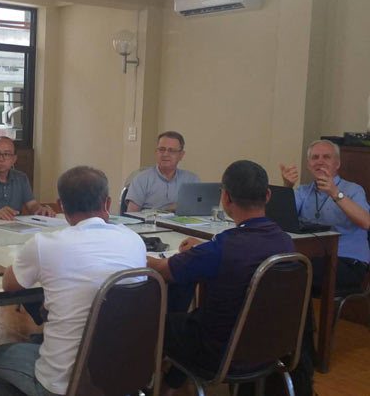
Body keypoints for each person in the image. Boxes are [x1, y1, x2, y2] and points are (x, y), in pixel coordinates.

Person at [0, 166, 146, 396]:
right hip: (125, 376)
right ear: (107, 203)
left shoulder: (44, 245)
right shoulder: (134, 240)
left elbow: (9, 284)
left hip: (65, 383)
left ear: (61, 206)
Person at [147, 160, 295, 395]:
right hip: (269, 348)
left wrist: (137, 250)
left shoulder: (223, 248)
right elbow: (240, 254)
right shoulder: (286, 242)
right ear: (268, 195)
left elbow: (164, 270)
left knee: (158, 323)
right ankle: (170, 385)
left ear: (225, 198)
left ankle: (149, 386)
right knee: (191, 326)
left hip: (218, 351)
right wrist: (203, 249)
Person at [280, 139, 370, 289]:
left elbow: (366, 222)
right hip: (312, 257)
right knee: (278, 268)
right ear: (309, 165)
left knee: (295, 273)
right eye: (315, 158)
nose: (320, 162)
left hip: (348, 261)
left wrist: (335, 193)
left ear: (337, 164)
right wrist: (287, 187)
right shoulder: (304, 191)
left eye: (326, 157)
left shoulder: (354, 190)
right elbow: (282, 219)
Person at [0, 136, 56, 220]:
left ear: (14, 159)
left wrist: (40, 210)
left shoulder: (21, 178)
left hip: (16, 227)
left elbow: (32, 205)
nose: (0, 159)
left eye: (7, 154)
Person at [126, 131, 200, 212]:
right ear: (156, 152)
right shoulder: (141, 179)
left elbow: (199, 210)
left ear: (181, 155)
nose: (165, 154)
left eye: (171, 150)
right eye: (162, 149)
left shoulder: (191, 180)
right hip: (150, 220)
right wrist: (165, 210)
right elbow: (131, 214)